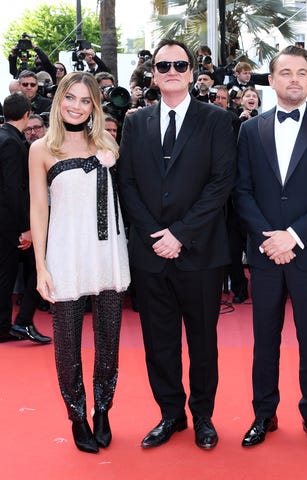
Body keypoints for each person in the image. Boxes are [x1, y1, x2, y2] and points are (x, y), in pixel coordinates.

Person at [118, 39, 236, 451]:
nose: (171, 70)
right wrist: (156, 236)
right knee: (158, 341)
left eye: (179, 64)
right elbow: (127, 183)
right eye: (163, 64)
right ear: (153, 73)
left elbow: (221, 184)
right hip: (151, 254)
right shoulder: (135, 122)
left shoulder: (218, 120)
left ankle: (203, 417)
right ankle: (171, 414)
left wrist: (180, 234)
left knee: (203, 341)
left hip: (200, 253)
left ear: (191, 71)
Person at [235, 45, 307, 450]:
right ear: (271, 80)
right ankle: (263, 414)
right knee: (264, 340)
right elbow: (242, 191)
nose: (294, 80)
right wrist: (270, 238)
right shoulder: (250, 130)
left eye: (302, 72)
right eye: (286, 73)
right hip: (265, 255)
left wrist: (294, 237)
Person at [29, 71, 130, 453]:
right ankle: (77, 415)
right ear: (58, 100)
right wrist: (40, 266)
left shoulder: (106, 141)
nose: (77, 106)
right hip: (66, 253)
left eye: (86, 100)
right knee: (67, 345)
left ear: (94, 106)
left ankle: (103, 408)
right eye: (71, 98)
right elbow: (39, 210)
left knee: (109, 340)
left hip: (107, 251)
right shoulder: (41, 149)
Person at [0, 93, 51, 344]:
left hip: (7, 221)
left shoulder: (6, 137)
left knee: (7, 273)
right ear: (26, 114)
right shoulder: (10, 142)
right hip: (11, 223)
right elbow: (13, 188)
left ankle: (10, 325)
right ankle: (19, 323)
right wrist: (26, 228)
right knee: (37, 265)